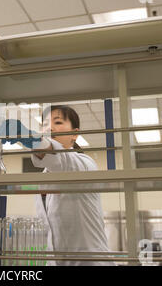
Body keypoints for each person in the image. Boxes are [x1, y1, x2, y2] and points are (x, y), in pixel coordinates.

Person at [31, 105, 113, 266]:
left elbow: (57, 157)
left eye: (58, 122)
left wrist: (30, 138)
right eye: (45, 123)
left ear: (75, 134)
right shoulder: (45, 176)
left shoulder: (84, 164)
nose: (50, 128)